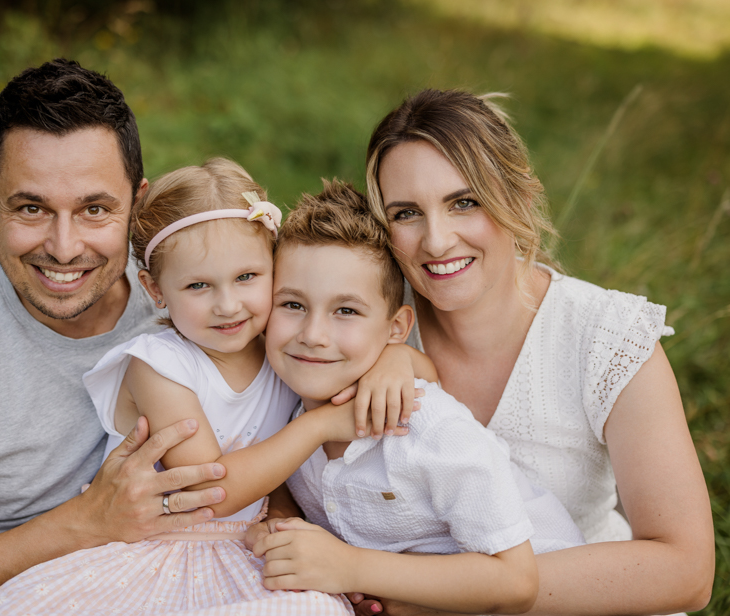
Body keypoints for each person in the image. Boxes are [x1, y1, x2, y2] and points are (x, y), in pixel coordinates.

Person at [0, 160, 433, 615]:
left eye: (247, 277)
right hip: (155, 550)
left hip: (247, 548)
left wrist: (395, 359)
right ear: (156, 291)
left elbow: (424, 375)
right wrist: (318, 426)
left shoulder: (283, 348)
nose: (228, 305)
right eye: (198, 285)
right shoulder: (157, 365)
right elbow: (214, 490)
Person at [0, 59, 229, 616]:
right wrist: (86, 523)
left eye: (95, 209)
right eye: (31, 208)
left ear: (137, 203)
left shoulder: (191, 291)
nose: (63, 247)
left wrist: (393, 366)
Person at [353, 88, 714, 615]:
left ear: (518, 196)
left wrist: (442, 599)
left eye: (464, 202)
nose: (436, 240)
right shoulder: (368, 328)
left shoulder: (605, 337)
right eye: (407, 213)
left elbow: (686, 569)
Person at [246, 180, 584, 614]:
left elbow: (515, 582)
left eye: (346, 311)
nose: (312, 335)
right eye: (292, 305)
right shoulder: (283, 408)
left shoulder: (428, 430)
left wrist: (351, 567)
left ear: (396, 330)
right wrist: (279, 523)